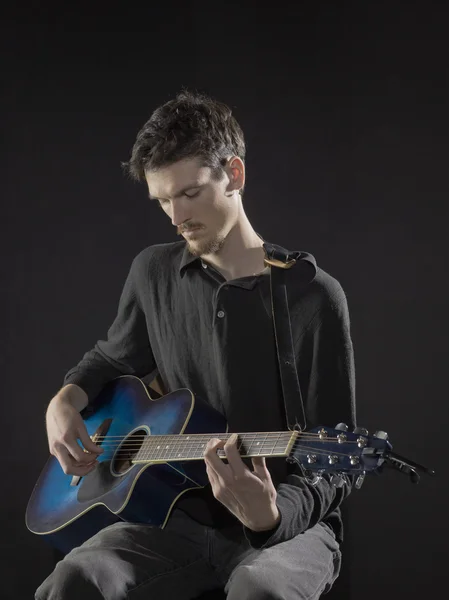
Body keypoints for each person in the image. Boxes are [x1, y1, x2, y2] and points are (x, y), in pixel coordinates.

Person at [36, 89, 356, 600]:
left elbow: (334, 465)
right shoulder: (152, 272)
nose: (175, 216)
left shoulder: (313, 297)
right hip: (173, 519)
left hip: (289, 528)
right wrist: (65, 400)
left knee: (261, 589)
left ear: (234, 174)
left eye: (188, 194)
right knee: (72, 580)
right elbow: (108, 360)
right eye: (162, 200)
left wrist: (272, 515)